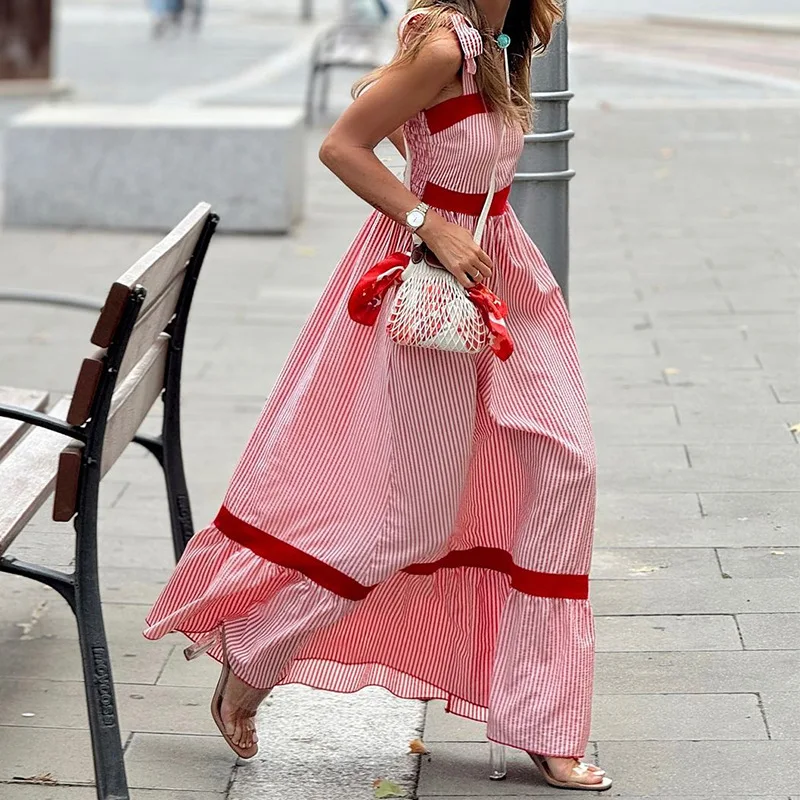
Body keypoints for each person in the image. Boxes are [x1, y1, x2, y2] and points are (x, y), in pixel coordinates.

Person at [144, 0, 612, 791]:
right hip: (431, 292)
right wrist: (431, 219)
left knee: (569, 468)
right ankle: (254, 657)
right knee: (410, 522)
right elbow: (342, 144)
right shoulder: (444, 43)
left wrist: (434, 158)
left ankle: (545, 718)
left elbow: (412, 121)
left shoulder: (503, 39)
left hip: (502, 279)